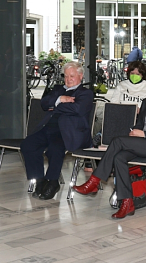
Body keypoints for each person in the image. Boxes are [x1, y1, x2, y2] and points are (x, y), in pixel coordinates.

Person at [72, 71, 146, 219]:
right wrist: (135, 131)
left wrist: (143, 134)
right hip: (143, 143)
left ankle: (94, 181)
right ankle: (127, 202)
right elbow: (140, 124)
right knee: (119, 158)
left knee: (118, 141)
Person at [20, 61, 94, 199]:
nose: (68, 79)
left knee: (55, 149)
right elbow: (44, 103)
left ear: (80, 76)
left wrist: (55, 105)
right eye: (66, 76)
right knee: (28, 145)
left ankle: (53, 182)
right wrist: (60, 99)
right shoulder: (58, 90)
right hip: (48, 128)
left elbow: (77, 109)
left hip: (69, 132)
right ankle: (40, 180)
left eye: (72, 76)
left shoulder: (86, 93)